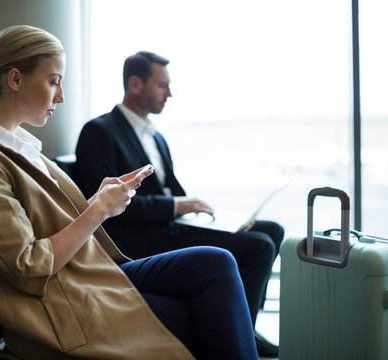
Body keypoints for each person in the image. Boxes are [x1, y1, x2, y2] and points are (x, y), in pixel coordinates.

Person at [0, 25, 258, 360]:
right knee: (206, 291)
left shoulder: (21, 149)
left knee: (215, 263)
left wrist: (97, 201)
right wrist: (98, 211)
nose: (60, 96)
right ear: (15, 79)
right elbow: (28, 267)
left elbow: (48, 229)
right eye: (53, 81)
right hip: (62, 302)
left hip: (85, 276)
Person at [75, 50, 284, 357]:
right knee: (259, 246)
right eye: (162, 85)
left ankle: (246, 326)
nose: (169, 94)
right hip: (138, 237)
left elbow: (175, 193)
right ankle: (243, 333)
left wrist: (225, 220)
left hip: (170, 227)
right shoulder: (100, 131)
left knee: (272, 230)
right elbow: (106, 207)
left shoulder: (156, 137)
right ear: (135, 84)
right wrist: (177, 206)